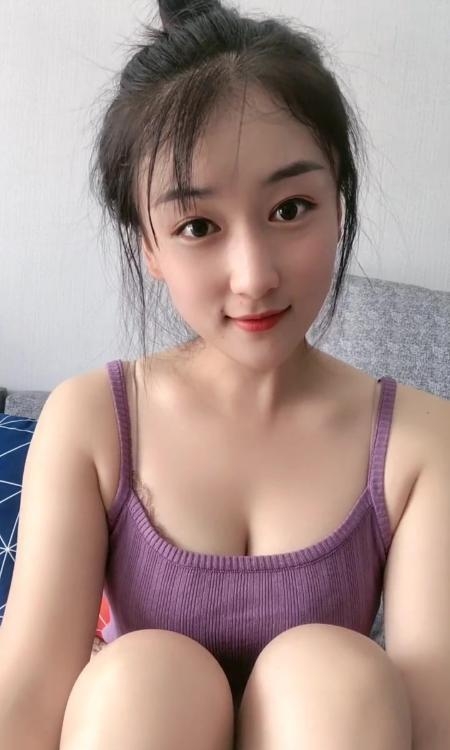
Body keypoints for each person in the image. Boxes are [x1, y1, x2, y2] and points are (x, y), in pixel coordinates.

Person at [1, 0, 449, 748]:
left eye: (291, 208)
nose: (254, 276)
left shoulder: (421, 442)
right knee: (142, 677)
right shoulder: (92, 420)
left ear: (339, 204)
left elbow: (434, 721)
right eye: (198, 226)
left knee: (332, 673)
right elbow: (25, 701)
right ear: (148, 246)